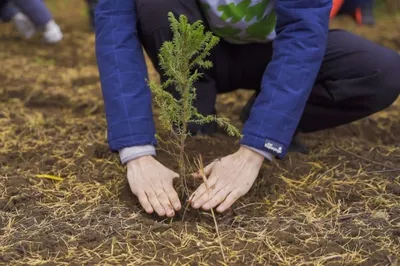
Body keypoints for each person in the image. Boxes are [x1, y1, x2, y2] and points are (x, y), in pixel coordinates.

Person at [95, 0, 400, 217]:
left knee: (382, 72)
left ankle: (265, 111)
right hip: (199, 49)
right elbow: (115, 30)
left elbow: (303, 35)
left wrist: (256, 147)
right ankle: (193, 113)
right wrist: (136, 153)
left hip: (275, 51)